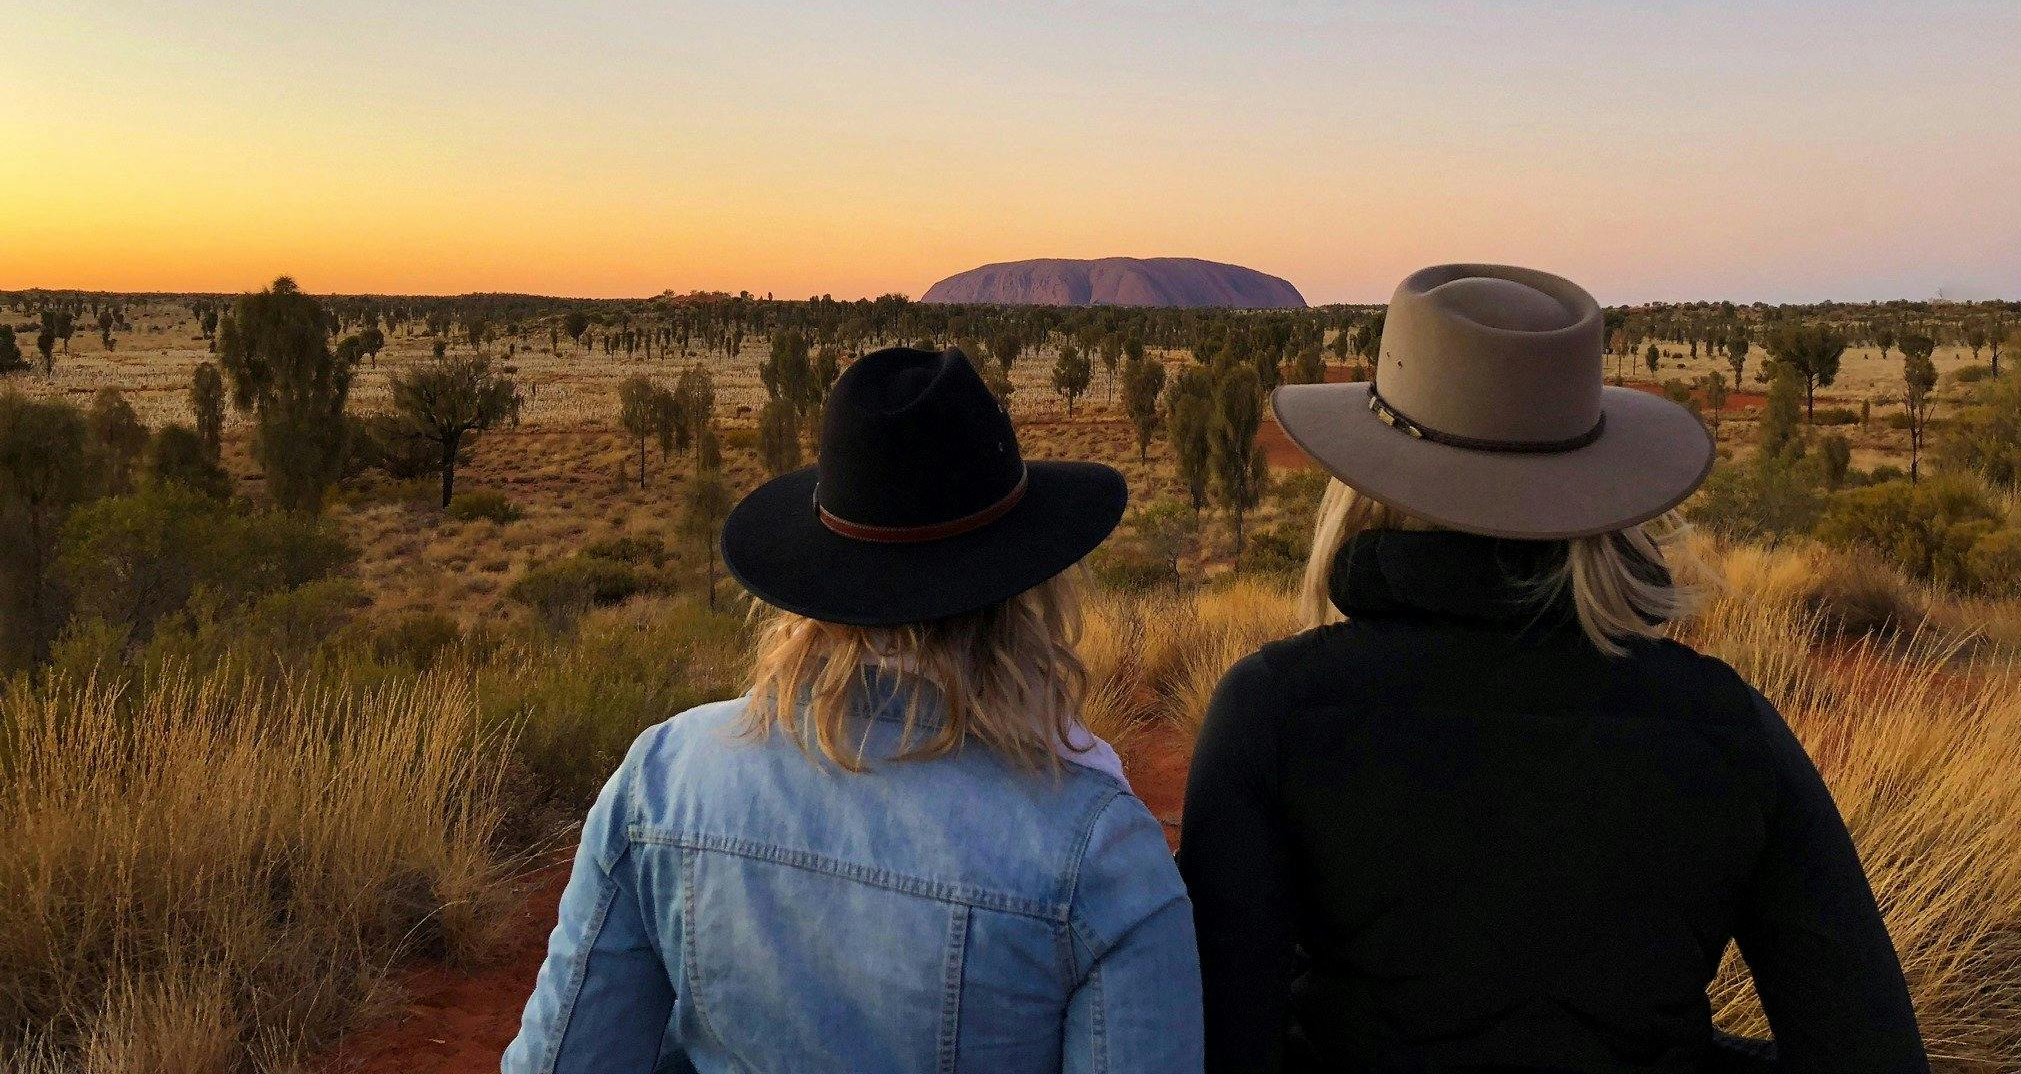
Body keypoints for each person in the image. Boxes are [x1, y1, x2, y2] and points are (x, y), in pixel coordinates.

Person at [1179, 264, 1928, 1073]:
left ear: (1361, 483)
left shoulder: (1274, 711)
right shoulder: (1724, 726)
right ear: (1594, 488)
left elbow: (1218, 1043)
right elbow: (1870, 1047)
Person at [504, 345, 1199, 1074]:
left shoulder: (661, 781)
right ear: (1026, 591)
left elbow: (562, 1060)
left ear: (818, 573)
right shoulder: (1099, 850)